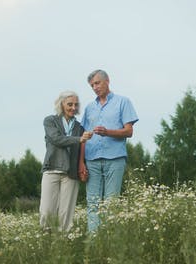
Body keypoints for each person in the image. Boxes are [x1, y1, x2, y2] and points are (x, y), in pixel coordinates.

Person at [80, 69, 139, 232]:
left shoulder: (123, 102)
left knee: (111, 203)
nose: (95, 87)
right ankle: (94, 244)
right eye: (92, 85)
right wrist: (81, 163)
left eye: (97, 83)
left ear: (107, 81)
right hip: (91, 160)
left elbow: (129, 131)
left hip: (115, 158)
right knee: (93, 203)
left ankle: (109, 243)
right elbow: (83, 137)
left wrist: (108, 132)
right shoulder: (89, 108)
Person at [40, 91, 92, 232]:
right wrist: (79, 139)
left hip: (71, 173)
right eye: (70, 104)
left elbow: (82, 149)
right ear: (61, 104)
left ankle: (63, 243)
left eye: (76, 105)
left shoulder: (79, 127)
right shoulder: (50, 121)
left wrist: (83, 166)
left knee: (66, 214)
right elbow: (56, 139)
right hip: (52, 169)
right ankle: (46, 240)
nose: (73, 108)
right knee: (46, 211)